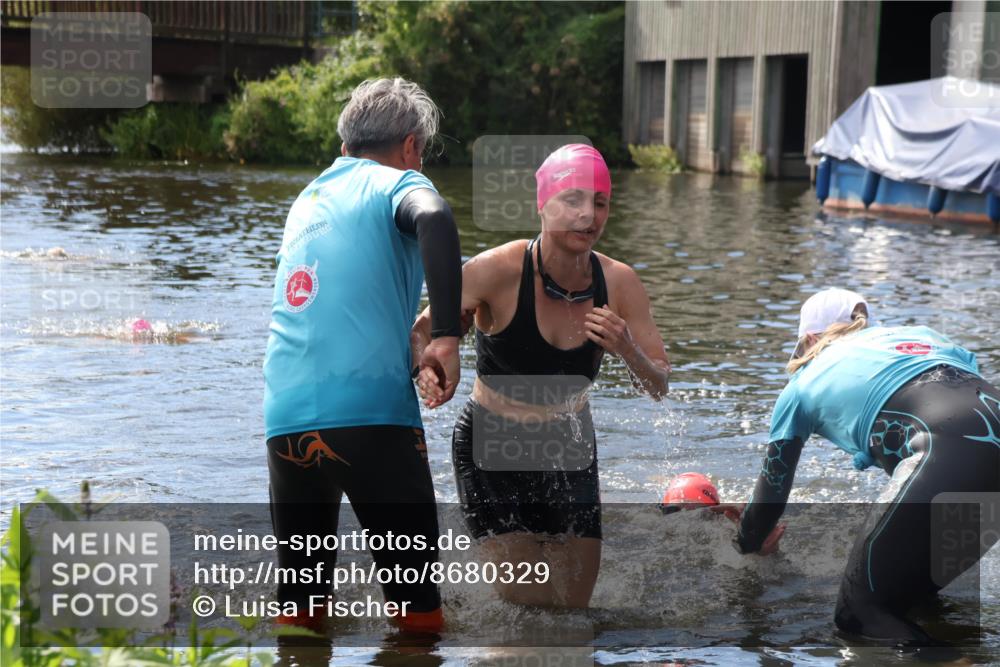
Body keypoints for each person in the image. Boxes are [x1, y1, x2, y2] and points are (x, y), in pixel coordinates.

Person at [412, 143, 671, 608]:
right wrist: (426, 367)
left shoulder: (620, 283)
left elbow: (659, 384)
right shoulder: (499, 270)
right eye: (572, 200)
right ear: (544, 202)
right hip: (492, 446)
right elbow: (421, 331)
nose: (586, 215)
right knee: (527, 607)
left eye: (599, 203)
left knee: (572, 610)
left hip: (568, 445)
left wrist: (627, 349)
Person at [262, 77, 463, 635]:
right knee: (418, 616)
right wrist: (445, 333)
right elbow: (436, 217)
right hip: (371, 418)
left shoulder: (308, 199)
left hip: (285, 420)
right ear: (410, 147)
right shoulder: (397, 183)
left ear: (344, 146)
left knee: (300, 607)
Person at [722, 287, 999, 646]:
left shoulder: (801, 385)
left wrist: (747, 541)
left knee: (860, 614)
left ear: (809, 339)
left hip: (947, 450)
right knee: (913, 600)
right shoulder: (924, 337)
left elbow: (772, 492)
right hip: (981, 447)